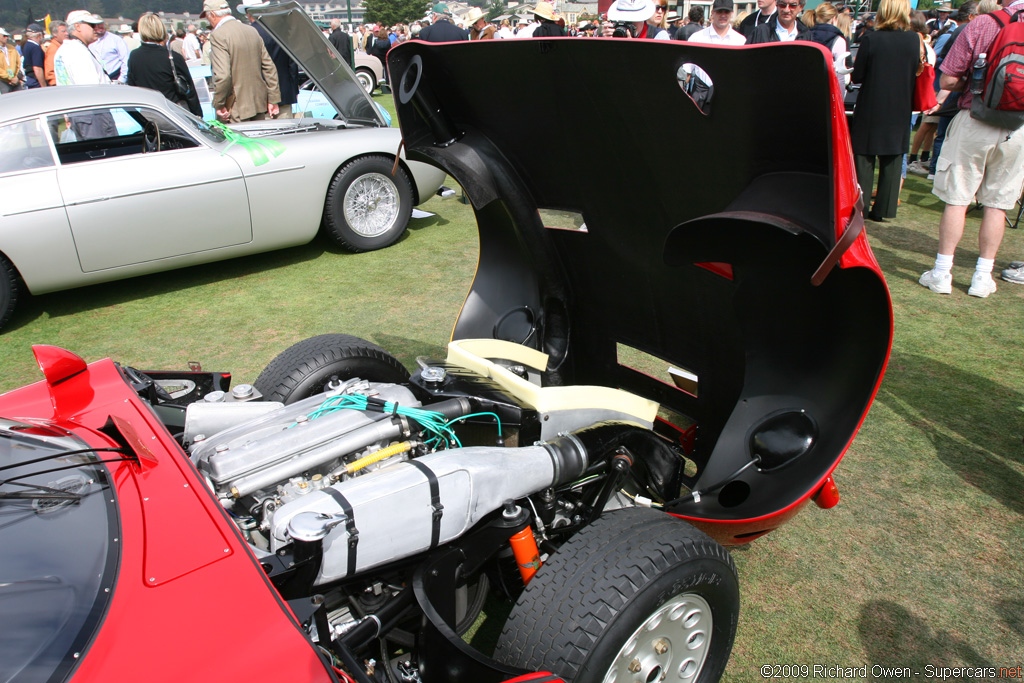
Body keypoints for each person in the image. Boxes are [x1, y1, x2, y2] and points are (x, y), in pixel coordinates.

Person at [918, 0, 1024, 298]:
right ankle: (982, 276)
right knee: (998, 203)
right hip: (1018, 127)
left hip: (975, 119)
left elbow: (949, 78)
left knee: (958, 197)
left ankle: (941, 272)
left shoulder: (984, 23)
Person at [848, 0, 918, 222]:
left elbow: (857, 76)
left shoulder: (871, 38)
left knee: (864, 157)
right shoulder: (913, 39)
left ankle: (861, 205)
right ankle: (885, 208)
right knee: (893, 157)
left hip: (872, 104)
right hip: (900, 104)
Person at [202, 0, 280, 123]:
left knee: (235, 141)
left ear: (212, 14)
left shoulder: (218, 35)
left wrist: (219, 103)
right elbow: (269, 67)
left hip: (235, 107)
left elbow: (223, 76)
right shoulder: (251, 30)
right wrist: (273, 99)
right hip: (258, 103)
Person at [126, 13, 202, 116]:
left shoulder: (134, 56)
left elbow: (131, 87)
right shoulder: (172, 57)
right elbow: (189, 90)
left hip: (149, 113)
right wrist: (198, 115)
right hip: (174, 113)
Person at [54, 10, 110, 85]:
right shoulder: (78, 52)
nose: (96, 28)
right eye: (92, 25)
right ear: (77, 26)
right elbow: (90, 88)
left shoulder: (64, 49)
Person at [809, 3, 853, 86]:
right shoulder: (838, 40)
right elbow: (840, 75)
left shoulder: (806, 35)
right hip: (828, 87)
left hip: (809, 86)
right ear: (834, 19)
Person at [607, 0, 671, 39]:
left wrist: (632, 47)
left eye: (633, 20)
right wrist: (604, 43)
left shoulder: (658, 35)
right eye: (624, 20)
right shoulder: (612, 34)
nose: (628, 25)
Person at [22, 24, 46, 88]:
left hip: (30, 78)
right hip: (36, 80)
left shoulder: (27, 45)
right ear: (39, 35)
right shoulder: (35, 47)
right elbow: (37, 68)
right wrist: (43, 86)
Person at [0, 28, 21, 93]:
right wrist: (9, 78)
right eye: (4, 36)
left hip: (15, 79)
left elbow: (18, 63)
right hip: (2, 81)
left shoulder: (12, 48)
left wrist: (15, 77)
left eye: (7, 36)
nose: (6, 38)